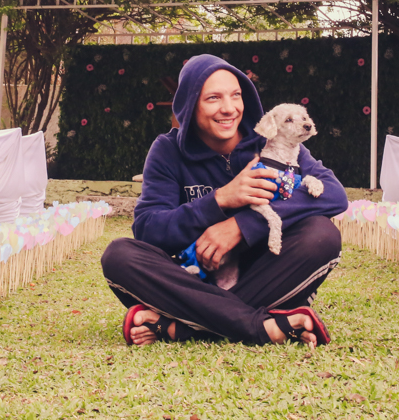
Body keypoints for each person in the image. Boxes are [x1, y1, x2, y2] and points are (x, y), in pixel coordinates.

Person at [100, 54, 348, 347]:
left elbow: (334, 194)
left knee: (322, 235)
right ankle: (259, 326)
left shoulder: (272, 142)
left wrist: (242, 225)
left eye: (236, 96)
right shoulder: (167, 150)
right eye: (214, 98)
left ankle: (182, 327)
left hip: (262, 275)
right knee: (119, 256)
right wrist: (219, 200)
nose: (229, 109)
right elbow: (148, 229)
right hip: (191, 277)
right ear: (191, 105)